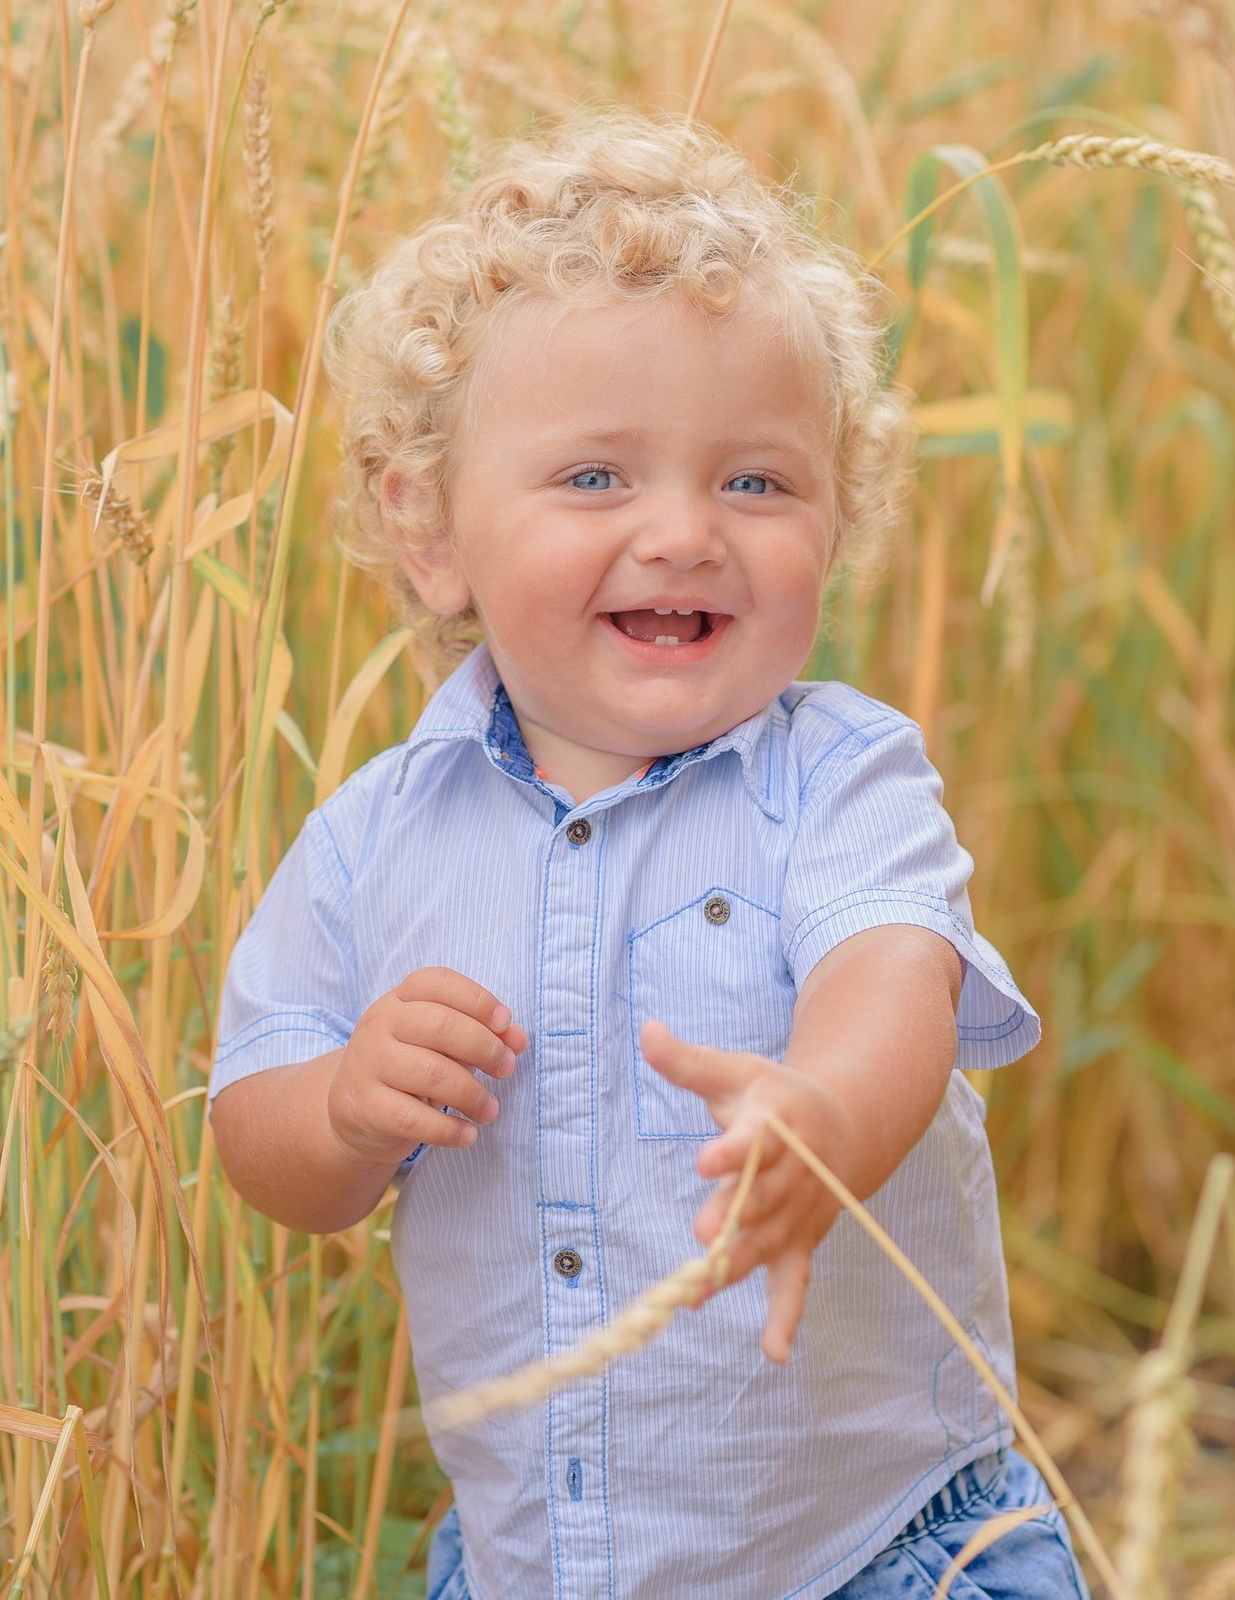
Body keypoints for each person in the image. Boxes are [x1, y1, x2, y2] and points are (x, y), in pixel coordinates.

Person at [208, 112, 1085, 1600]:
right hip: (542, 1562)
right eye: (597, 479)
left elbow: (897, 980)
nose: (683, 533)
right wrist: (349, 1107)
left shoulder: (839, 773)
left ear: (839, 511)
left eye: (755, 483)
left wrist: (821, 1113)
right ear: (430, 528)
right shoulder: (376, 838)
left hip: (879, 1553)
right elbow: (257, 1123)